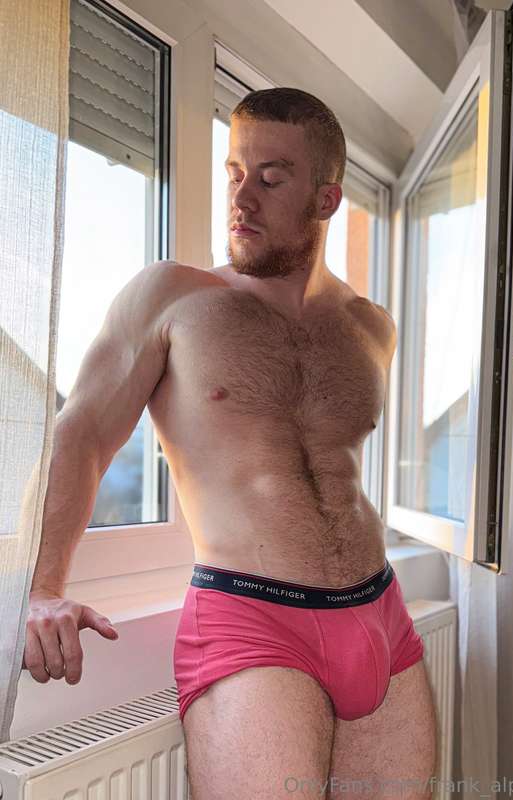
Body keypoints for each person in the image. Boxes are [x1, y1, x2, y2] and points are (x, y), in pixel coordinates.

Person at [23, 87, 437, 798]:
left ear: (326, 199)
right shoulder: (172, 297)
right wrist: (39, 587)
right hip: (252, 618)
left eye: (270, 179)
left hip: (381, 614)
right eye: (235, 174)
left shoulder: (370, 327)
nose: (242, 199)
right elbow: (82, 435)